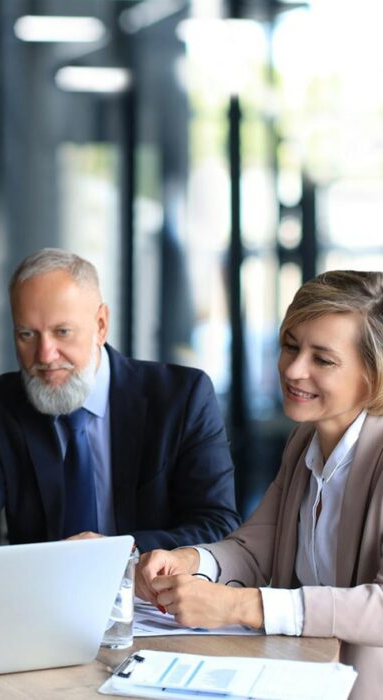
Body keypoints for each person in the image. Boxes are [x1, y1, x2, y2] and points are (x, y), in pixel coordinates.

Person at [136, 270, 383, 700]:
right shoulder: (305, 441)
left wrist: (243, 606)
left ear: (374, 375)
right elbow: (256, 548)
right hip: (300, 677)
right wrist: (190, 561)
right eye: (291, 346)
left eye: (322, 360)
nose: (294, 370)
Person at [0, 248, 240, 552]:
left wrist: (119, 551)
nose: (45, 355)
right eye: (27, 335)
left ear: (101, 325)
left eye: (62, 332)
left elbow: (216, 524)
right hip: (41, 586)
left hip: (147, 585)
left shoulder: (182, 397)